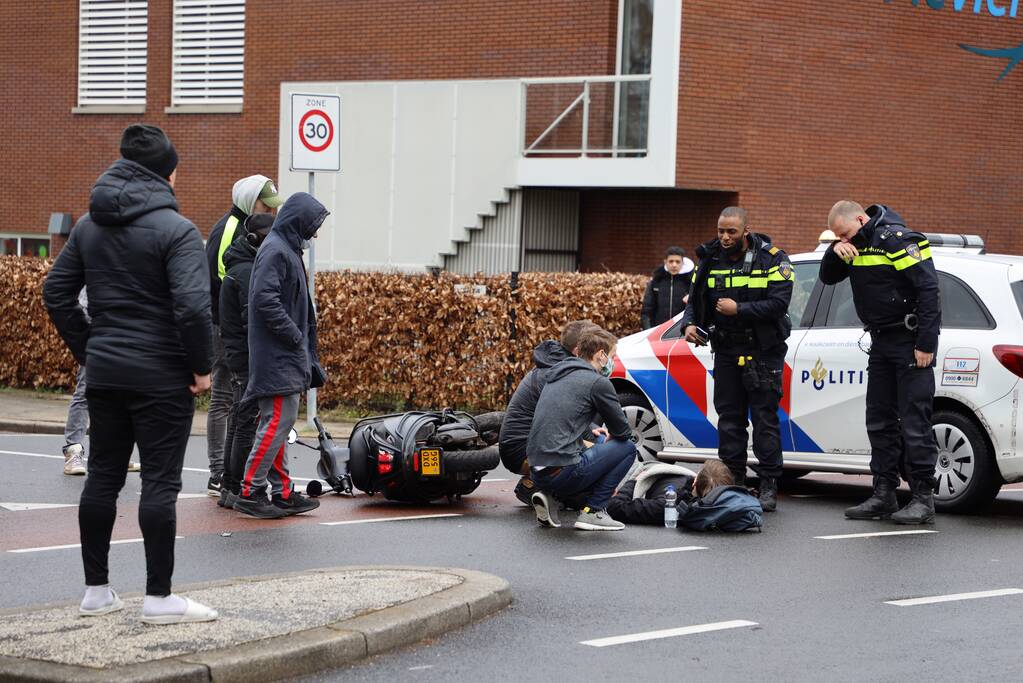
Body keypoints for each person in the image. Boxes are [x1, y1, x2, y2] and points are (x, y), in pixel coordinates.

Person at [43, 123, 218, 624]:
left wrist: (90, 349)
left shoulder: (88, 227)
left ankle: (96, 592)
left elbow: (56, 293)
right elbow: (191, 308)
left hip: (106, 374)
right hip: (163, 379)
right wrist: (201, 368)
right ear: (169, 172)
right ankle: (160, 599)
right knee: (160, 485)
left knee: (102, 479)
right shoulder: (177, 230)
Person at [820, 201, 941, 525]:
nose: (845, 240)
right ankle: (884, 493)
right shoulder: (852, 245)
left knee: (915, 422)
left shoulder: (898, 240)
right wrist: (834, 251)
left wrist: (926, 343)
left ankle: (922, 498)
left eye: (845, 234)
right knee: (879, 420)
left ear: (861, 219)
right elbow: (827, 278)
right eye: (839, 237)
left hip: (909, 340)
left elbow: (928, 290)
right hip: (881, 342)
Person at [681, 207, 793, 512]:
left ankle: (769, 484)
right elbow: (695, 296)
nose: (724, 237)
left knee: (765, 421)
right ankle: (733, 482)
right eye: (721, 231)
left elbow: (779, 303)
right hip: (727, 351)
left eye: (731, 231)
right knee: (729, 421)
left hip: (763, 351)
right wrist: (689, 324)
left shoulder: (773, 258)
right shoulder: (709, 257)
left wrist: (739, 310)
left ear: (746, 230)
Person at [235, 192, 328, 519]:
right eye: (312, 226)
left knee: (277, 423)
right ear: (299, 223)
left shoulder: (282, 248)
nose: (314, 234)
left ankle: (283, 491)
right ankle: (251, 491)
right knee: (276, 423)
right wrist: (294, 336)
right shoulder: (278, 251)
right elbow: (265, 300)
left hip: (281, 356)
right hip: (278, 356)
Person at [204, 175, 282, 496]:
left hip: (235, 326)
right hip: (227, 327)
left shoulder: (252, 228)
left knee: (237, 400)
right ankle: (218, 472)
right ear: (252, 203)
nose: (272, 212)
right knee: (223, 397)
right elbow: (227, 283)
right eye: (267, 205)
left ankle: (229, 473)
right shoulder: (230, 231)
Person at [527, 327, 638, 531]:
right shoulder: (598, 382)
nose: (613, 361)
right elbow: (623, 432)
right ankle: (593, 512)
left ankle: (551, 496)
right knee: (627, 448)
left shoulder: (557, 375)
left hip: (535, 471)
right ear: (601, 355)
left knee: (598, 443)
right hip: (562, 471)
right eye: (612, 356)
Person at [498, 319, 599, 505]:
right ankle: (537, 485)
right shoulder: (558, 373)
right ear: (578, 350)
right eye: (596, 347)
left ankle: (537, 482)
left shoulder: (560, 367)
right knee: (600, 455)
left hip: (526, 445)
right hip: (522, 450)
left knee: (597, 445)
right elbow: (568, 421)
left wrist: (594, 431)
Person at [217, 213, 274, 509]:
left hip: (237, 355)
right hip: (247, 358)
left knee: (238, 420)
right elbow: (253, 322)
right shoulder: (248, 272)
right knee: (246, 424)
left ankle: (229, 486)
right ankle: (237, 486)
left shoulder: (238, 268)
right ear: (255, 239)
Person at [62, 287, 140, 476]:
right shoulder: (97, 259)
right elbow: (79, 303)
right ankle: (73, 451)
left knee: (119, 393)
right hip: (95, 330)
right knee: (85, 391)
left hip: (121, 332)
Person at [607, 461, 697, 525]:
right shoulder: (666, 504)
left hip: (643, 469)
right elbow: (615, 508)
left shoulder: (667, 505)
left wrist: (632, 482)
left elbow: (616, 508)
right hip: (641, 470)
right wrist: (634, 482)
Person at [640, 246, 695, 329]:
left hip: (682, 331)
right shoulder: (656, 281)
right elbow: (647, 311)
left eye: (677, 262)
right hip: (658, 331)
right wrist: (648, 330)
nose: (674, 265)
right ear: (665, 261)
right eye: (671, 261)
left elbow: (697, 309)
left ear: (682, 262)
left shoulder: (690, 282)